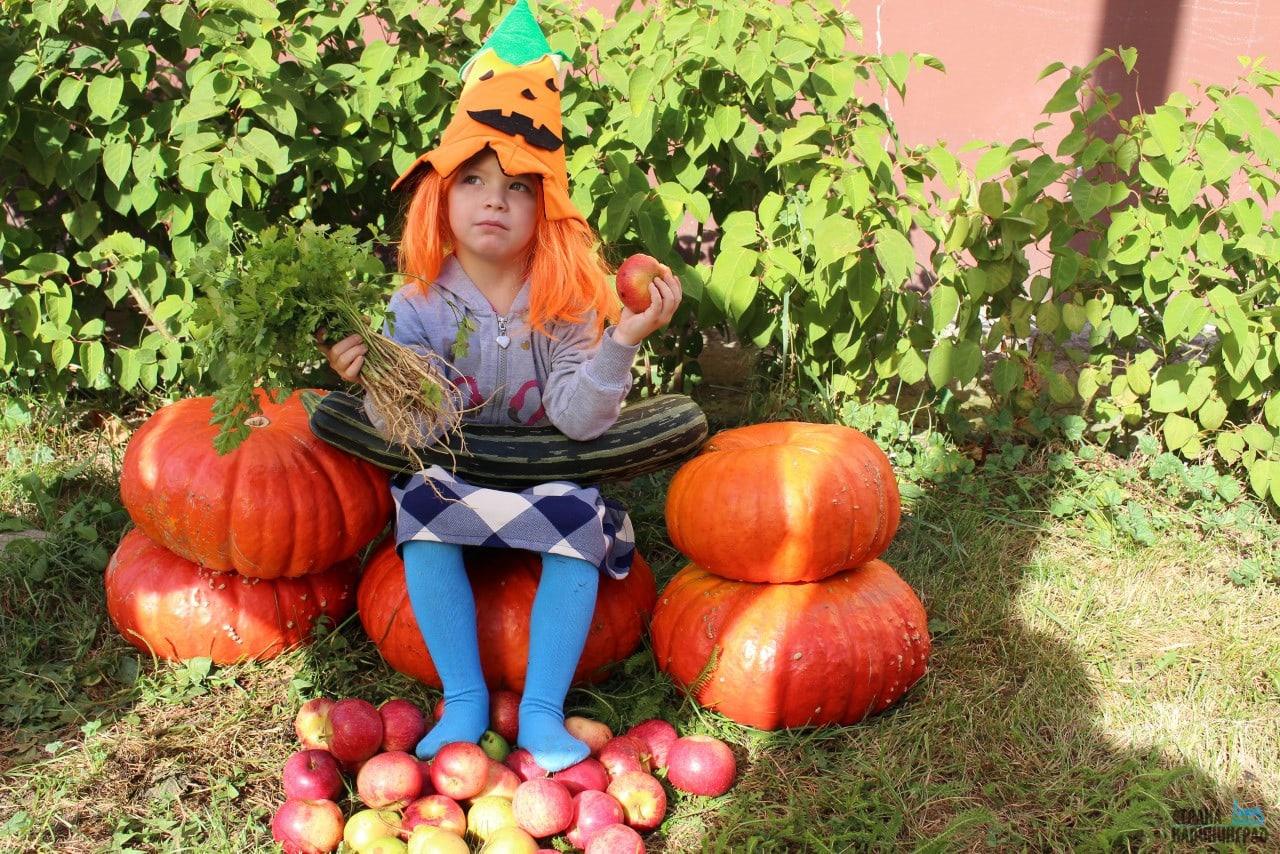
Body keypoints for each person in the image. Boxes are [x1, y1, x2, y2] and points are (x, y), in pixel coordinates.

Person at [317, 0, 681, 773]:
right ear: (439, 197)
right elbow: (424, 428)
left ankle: (545, 711)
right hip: (455, 473)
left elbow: (577, 422)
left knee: (577, 517)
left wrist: (622, 338)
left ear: (545, 209)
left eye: (519, 186)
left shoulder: (569, 305)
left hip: (546, 475)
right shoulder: (413, 306)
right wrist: (375, 376)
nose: (494, 199)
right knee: (419, 502)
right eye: (474, 180)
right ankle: (465, 701)